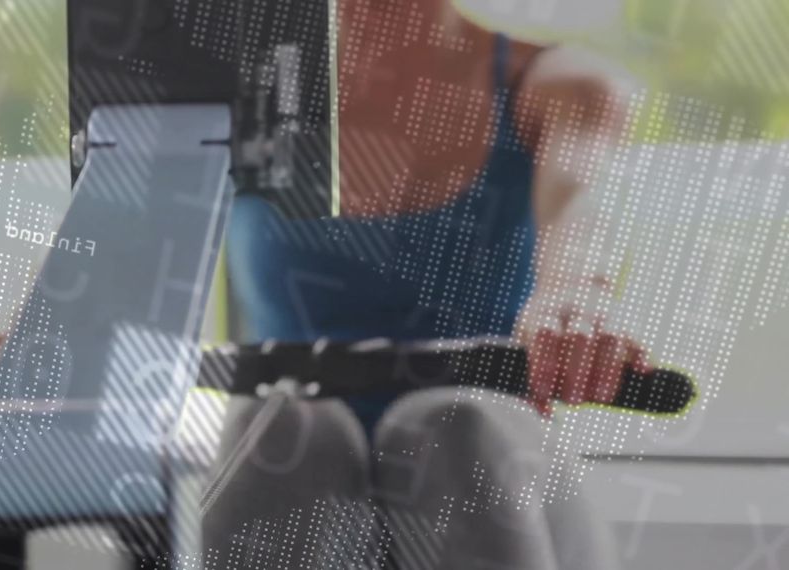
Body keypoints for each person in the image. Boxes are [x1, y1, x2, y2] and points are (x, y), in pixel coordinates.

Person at [206, 0, 642, 567]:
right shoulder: (235, 95)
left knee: (452, 426)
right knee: (282, 425)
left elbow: (578, 210)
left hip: (490, 475)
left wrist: (576, 297)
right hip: (295, 470)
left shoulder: (562, 88)